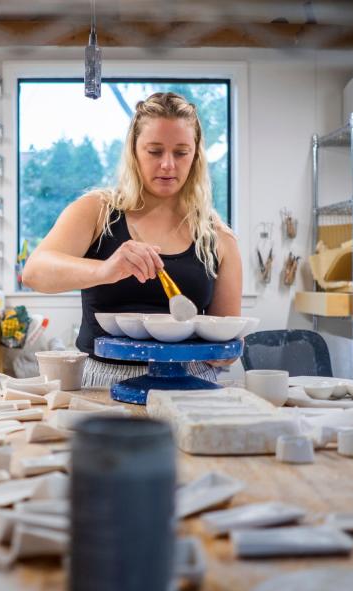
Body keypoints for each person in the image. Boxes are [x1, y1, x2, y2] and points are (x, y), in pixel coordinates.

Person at [22, 92, 242, 387]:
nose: (167, 164)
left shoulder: (218, 237)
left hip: (191, 382)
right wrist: (103, 270)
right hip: (102, 382)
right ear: (134, 151)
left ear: (196, 155)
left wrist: (225, 350)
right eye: (154, 151)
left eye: (180, 152)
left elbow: (224, 340)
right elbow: (35, 272)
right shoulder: (98, 211)